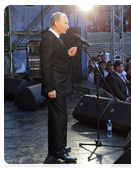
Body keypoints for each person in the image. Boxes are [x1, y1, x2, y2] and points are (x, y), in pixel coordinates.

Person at [40, 12, 77, 162]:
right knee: (60, 118)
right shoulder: (49, 39)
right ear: (55, 23)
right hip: (55, 87)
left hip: (58, 85)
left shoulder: (55, 38)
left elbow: (56, 60)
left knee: (56, 118)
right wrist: (50, 89)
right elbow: (46, 66)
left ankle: (55, 148)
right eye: (65, 23)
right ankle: (59, 151)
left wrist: (67, 54)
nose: (68, 26)